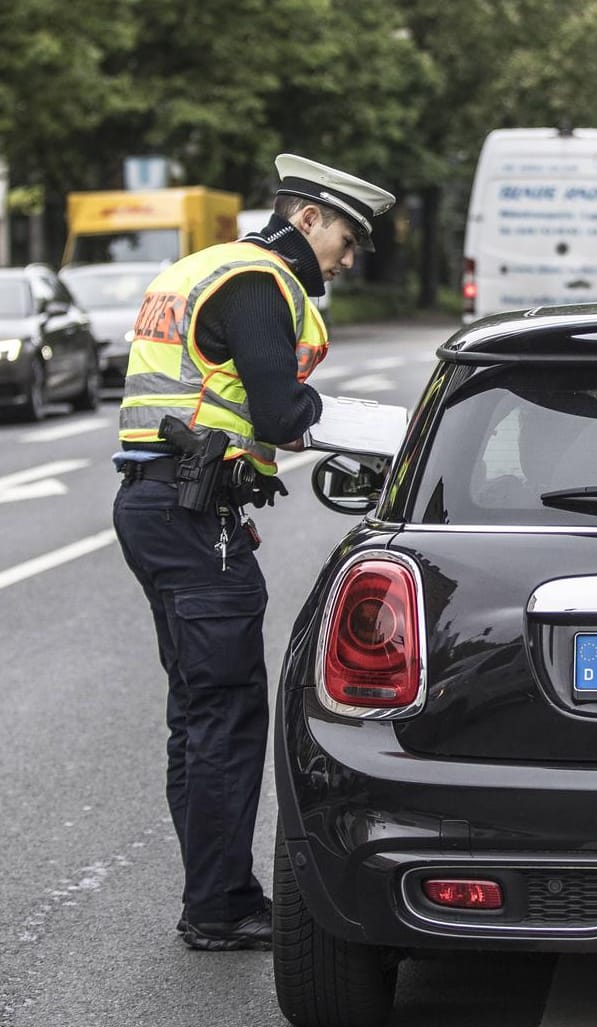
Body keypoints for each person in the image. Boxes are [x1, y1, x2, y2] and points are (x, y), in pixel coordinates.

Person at [112, 154, 393, 950]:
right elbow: (279, 411)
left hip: (160, 504)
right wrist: (389, 435)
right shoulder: (260, 282)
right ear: (307, 218)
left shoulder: (199, 268)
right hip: (194, 513)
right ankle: (221, 907)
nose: (349, 255)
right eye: (346, 236)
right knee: (228, 715)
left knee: (198, 713)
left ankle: (213, 894)